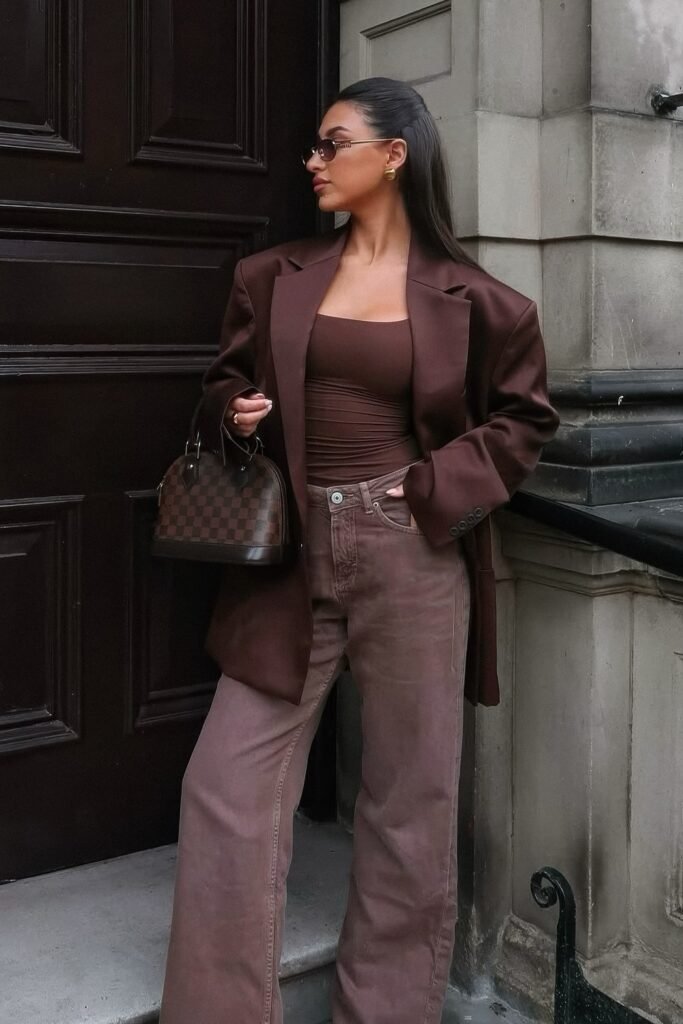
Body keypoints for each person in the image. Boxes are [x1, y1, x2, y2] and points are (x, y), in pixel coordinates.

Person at [159, 77, 560, 1024]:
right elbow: (220, 386)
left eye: (331, 142)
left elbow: (522, 423)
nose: (311, 160)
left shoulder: (484, 301)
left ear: (393, 155)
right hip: (290, 553)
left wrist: (428, 491)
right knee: (223, 789)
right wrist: (235, 415)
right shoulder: (274, 277)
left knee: (406, 806)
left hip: (410, 553)